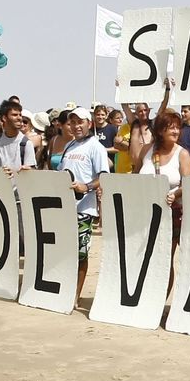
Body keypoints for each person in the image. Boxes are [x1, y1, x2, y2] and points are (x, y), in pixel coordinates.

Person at [57, 108, 111, 303]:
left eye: (80, 122)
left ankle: (75, 296)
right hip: (64, 208)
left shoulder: (96, 147)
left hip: (84, 210)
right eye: (73, 122)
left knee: (80, 253)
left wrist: (86, 186)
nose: (76, 126)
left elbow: (104, 177)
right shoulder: (69, 146)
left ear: (89, 123)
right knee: (65, 252)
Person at [137, 110, 190, 244]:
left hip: (171, 212)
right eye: (171, 127)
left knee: (166, 259)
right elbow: (135, 177)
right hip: (144, 212)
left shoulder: (182, 154)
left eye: (178, 127)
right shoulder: (146, 150)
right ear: (161, 130)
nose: (176, 131)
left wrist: (175, 195)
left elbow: (188, 185)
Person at [0, 101, 37, 173]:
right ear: (4, 118)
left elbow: (32, 172)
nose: (19, 118)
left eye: (20, 115)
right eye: (15, 115)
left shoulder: (26, 143)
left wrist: (28, 169)